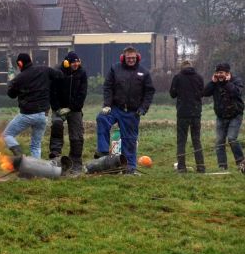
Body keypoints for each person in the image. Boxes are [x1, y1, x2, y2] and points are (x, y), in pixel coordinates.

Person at [95, 46, 155, 174]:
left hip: (133, 112)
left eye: (133, 58)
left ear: (137, 57)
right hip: (115, 108)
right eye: (128, 58)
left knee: (129, 141)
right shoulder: (115, 69)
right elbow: (108, 87)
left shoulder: (144, 72)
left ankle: (130, 168)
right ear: (123, 58)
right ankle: (103, 150)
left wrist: (143, 108)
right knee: (102, 118)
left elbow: (149, 92)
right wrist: (107, 105)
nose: (131, 60)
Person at [3, 53, 61, 158]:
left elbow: (11, 95)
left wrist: (11, 83)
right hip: (43, 115)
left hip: (27, 115)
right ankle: (35, 170)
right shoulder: (44, 70)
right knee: (36, 145)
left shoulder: (20, 78)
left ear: (20, 63)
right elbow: (59, 75)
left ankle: (19, 153)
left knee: (7, 135)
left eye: (18, 65)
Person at [49, 51, 88, 173]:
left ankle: (76, 162)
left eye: (78, 62)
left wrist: (72, 107)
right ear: (67, 63)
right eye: (73, 62)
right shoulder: (58, 73)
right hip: (59, 108)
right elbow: (52, 92)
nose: (76, 64)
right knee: (56, 124)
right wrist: (57, 108)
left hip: (75, 109)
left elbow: (82, 94)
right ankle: (55, 157)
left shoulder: (82, 73)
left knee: (77, 135)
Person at [203, 62, 244, 170]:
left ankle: (241, 163)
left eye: (221, 73)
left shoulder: (236, 81)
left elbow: (237, 93)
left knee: (232, 138)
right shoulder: (215, 82)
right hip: (221, 116)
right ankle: (222, 166)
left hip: (235, 115)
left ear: (227, 73)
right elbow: (204, 92)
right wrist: (212, 82)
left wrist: (226, 82)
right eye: (217, 72)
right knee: (219, 141)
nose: (219, 75)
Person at [169, 60, 205, 173]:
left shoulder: (178, 77)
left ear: (182, 68)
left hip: (183, 113)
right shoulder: (199, 77)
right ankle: (201, 166)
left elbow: (172, 94)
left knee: (181, 141)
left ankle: (181, 167)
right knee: (196, 140)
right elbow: (202, 93)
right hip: (196, 113)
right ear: (191, 67)